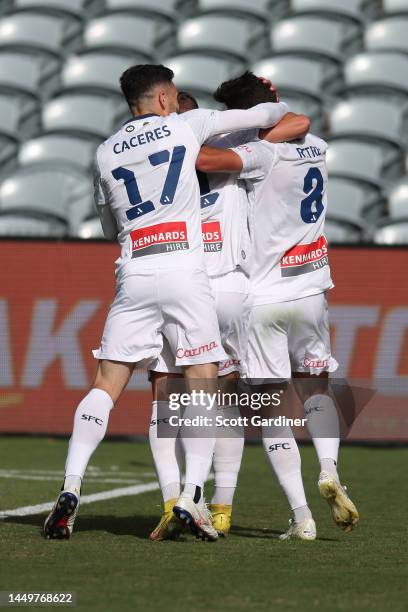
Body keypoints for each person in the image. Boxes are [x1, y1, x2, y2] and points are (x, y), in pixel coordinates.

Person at [43, 64, 290, 541]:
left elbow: (109, 229)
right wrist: (274, 103)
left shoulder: (104, 152)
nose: (177, 102)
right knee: (203, 383)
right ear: (162, 99)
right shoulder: (185, 125)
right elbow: (264, 113)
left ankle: (71, 487)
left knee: (105, 385)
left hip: (133, 271)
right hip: (184, 271)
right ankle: (193, 494)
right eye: (174, 95)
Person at [196, 71, 359, 540]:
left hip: (263, 296)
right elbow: (299, 122)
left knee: (269, 409)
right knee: (317, 388)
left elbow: (206, 160)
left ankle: (302, 516)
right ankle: (329, 468)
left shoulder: (257, 154)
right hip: (312, 287)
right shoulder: (318, 143)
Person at [148, 87, 310, 540]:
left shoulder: (149, 163)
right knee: (233, 404)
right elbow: (297, 122)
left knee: (169, 400)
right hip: (233, 288)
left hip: (178, 284)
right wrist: (266, 100)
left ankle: (177, 499)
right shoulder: (229, 151)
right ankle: (218, 503)